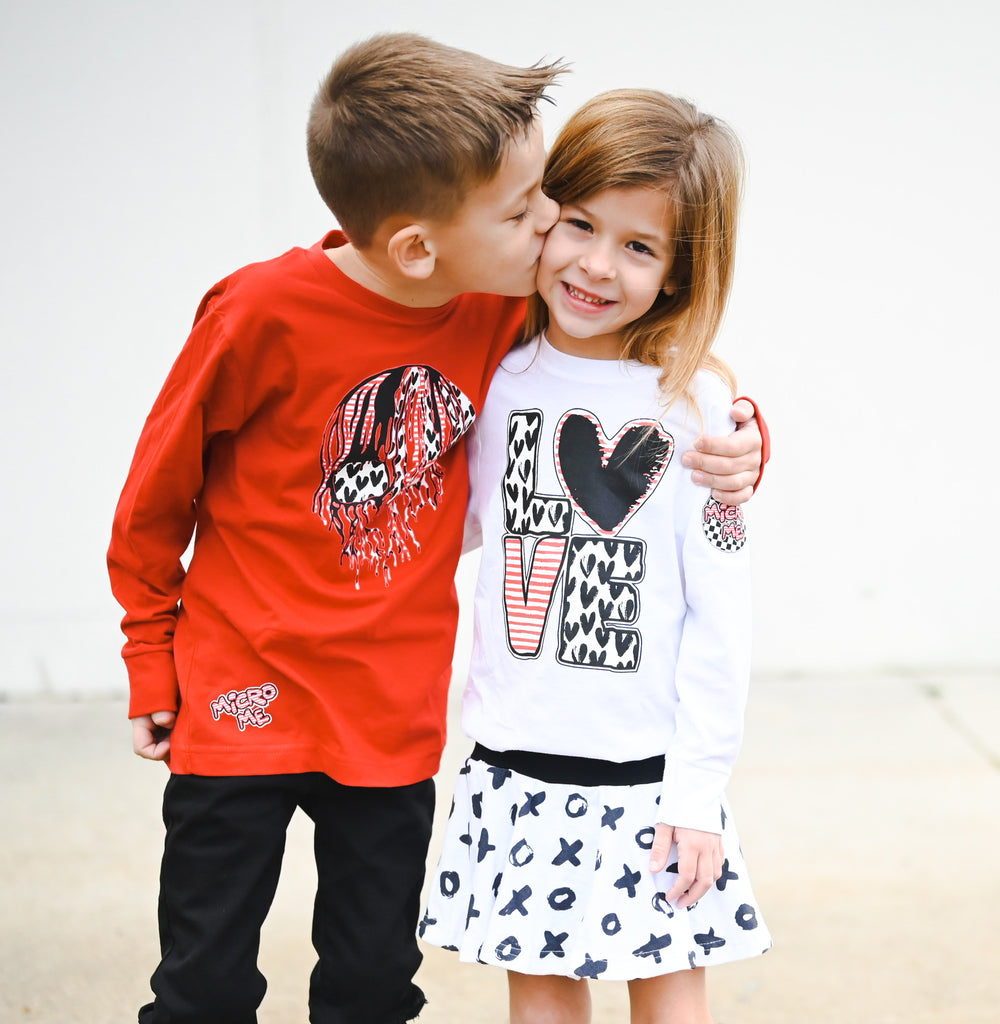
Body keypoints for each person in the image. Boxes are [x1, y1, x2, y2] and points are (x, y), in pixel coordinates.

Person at [108, 33, 765, 1024]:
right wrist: (150, 654)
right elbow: (156, 497)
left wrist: (744, 443)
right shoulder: (276, 315)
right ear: (422, 244)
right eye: (536, 210)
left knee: (372, 985)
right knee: (205, 983)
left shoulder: (502, 323)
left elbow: (650, 391)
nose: (553, 234)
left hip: (394, 713)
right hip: (245, 684)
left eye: (550, 200)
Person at [420, 88, 770, 1024]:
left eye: (640, 246)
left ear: (682, 272)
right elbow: (451, 530)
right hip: (516, 760)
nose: (597, 265)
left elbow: (721, 618)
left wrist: (698, 788)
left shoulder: (697, 411)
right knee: (540, 999)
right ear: (542, 215)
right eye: (580, 224)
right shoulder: (490, 378)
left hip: (650, 776)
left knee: (669, 998)